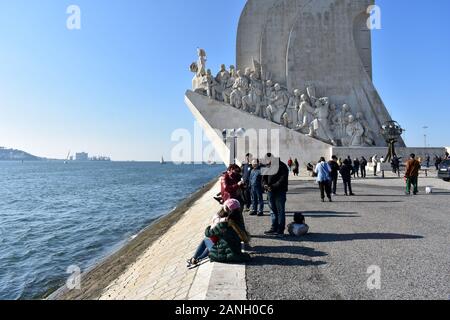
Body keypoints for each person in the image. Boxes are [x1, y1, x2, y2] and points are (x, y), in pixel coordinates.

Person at [205, 199, 251, 264]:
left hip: (221, 256)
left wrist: (209, 226)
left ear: (226, 209)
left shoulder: (222, 224)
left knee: (206, 240)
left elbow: (208, 233)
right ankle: (195, 258)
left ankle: (195, 258)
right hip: (236, 255)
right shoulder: (239, 222)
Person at [263, 153, 289, 237]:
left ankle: (280, 230)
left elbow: (283, 180)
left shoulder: (282, 166)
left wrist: (272, 187)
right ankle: (273, 228)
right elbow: (263, 179)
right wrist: (265, 185)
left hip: (280, 192)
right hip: (270, 191)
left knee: (280, 210)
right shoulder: (267, 166)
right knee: (272, 210)